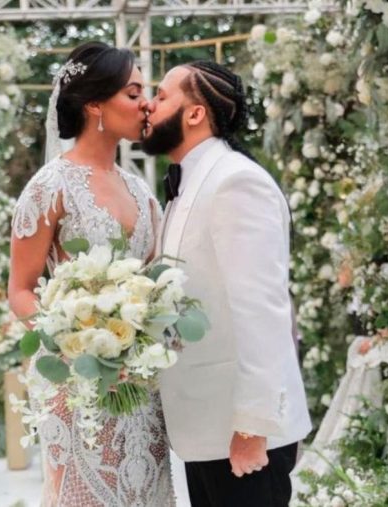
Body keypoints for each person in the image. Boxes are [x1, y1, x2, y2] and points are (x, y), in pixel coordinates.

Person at [8, 42, 172, 506]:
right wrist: (74, 341)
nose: (146, 103)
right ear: (94, 104)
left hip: (139, 388)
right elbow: (20, 290)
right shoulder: (50, 187)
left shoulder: (142, 192)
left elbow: (154, 286)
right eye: (133, 92)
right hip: (77, 386)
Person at [143, 61, 312, 507]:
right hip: (205, 430)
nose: (149, 106)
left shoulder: (235, 181)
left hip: (243, 436)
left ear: (195, 113)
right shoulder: (188, 184)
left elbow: (263, 311)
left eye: (162, 96)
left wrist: (252, 427)